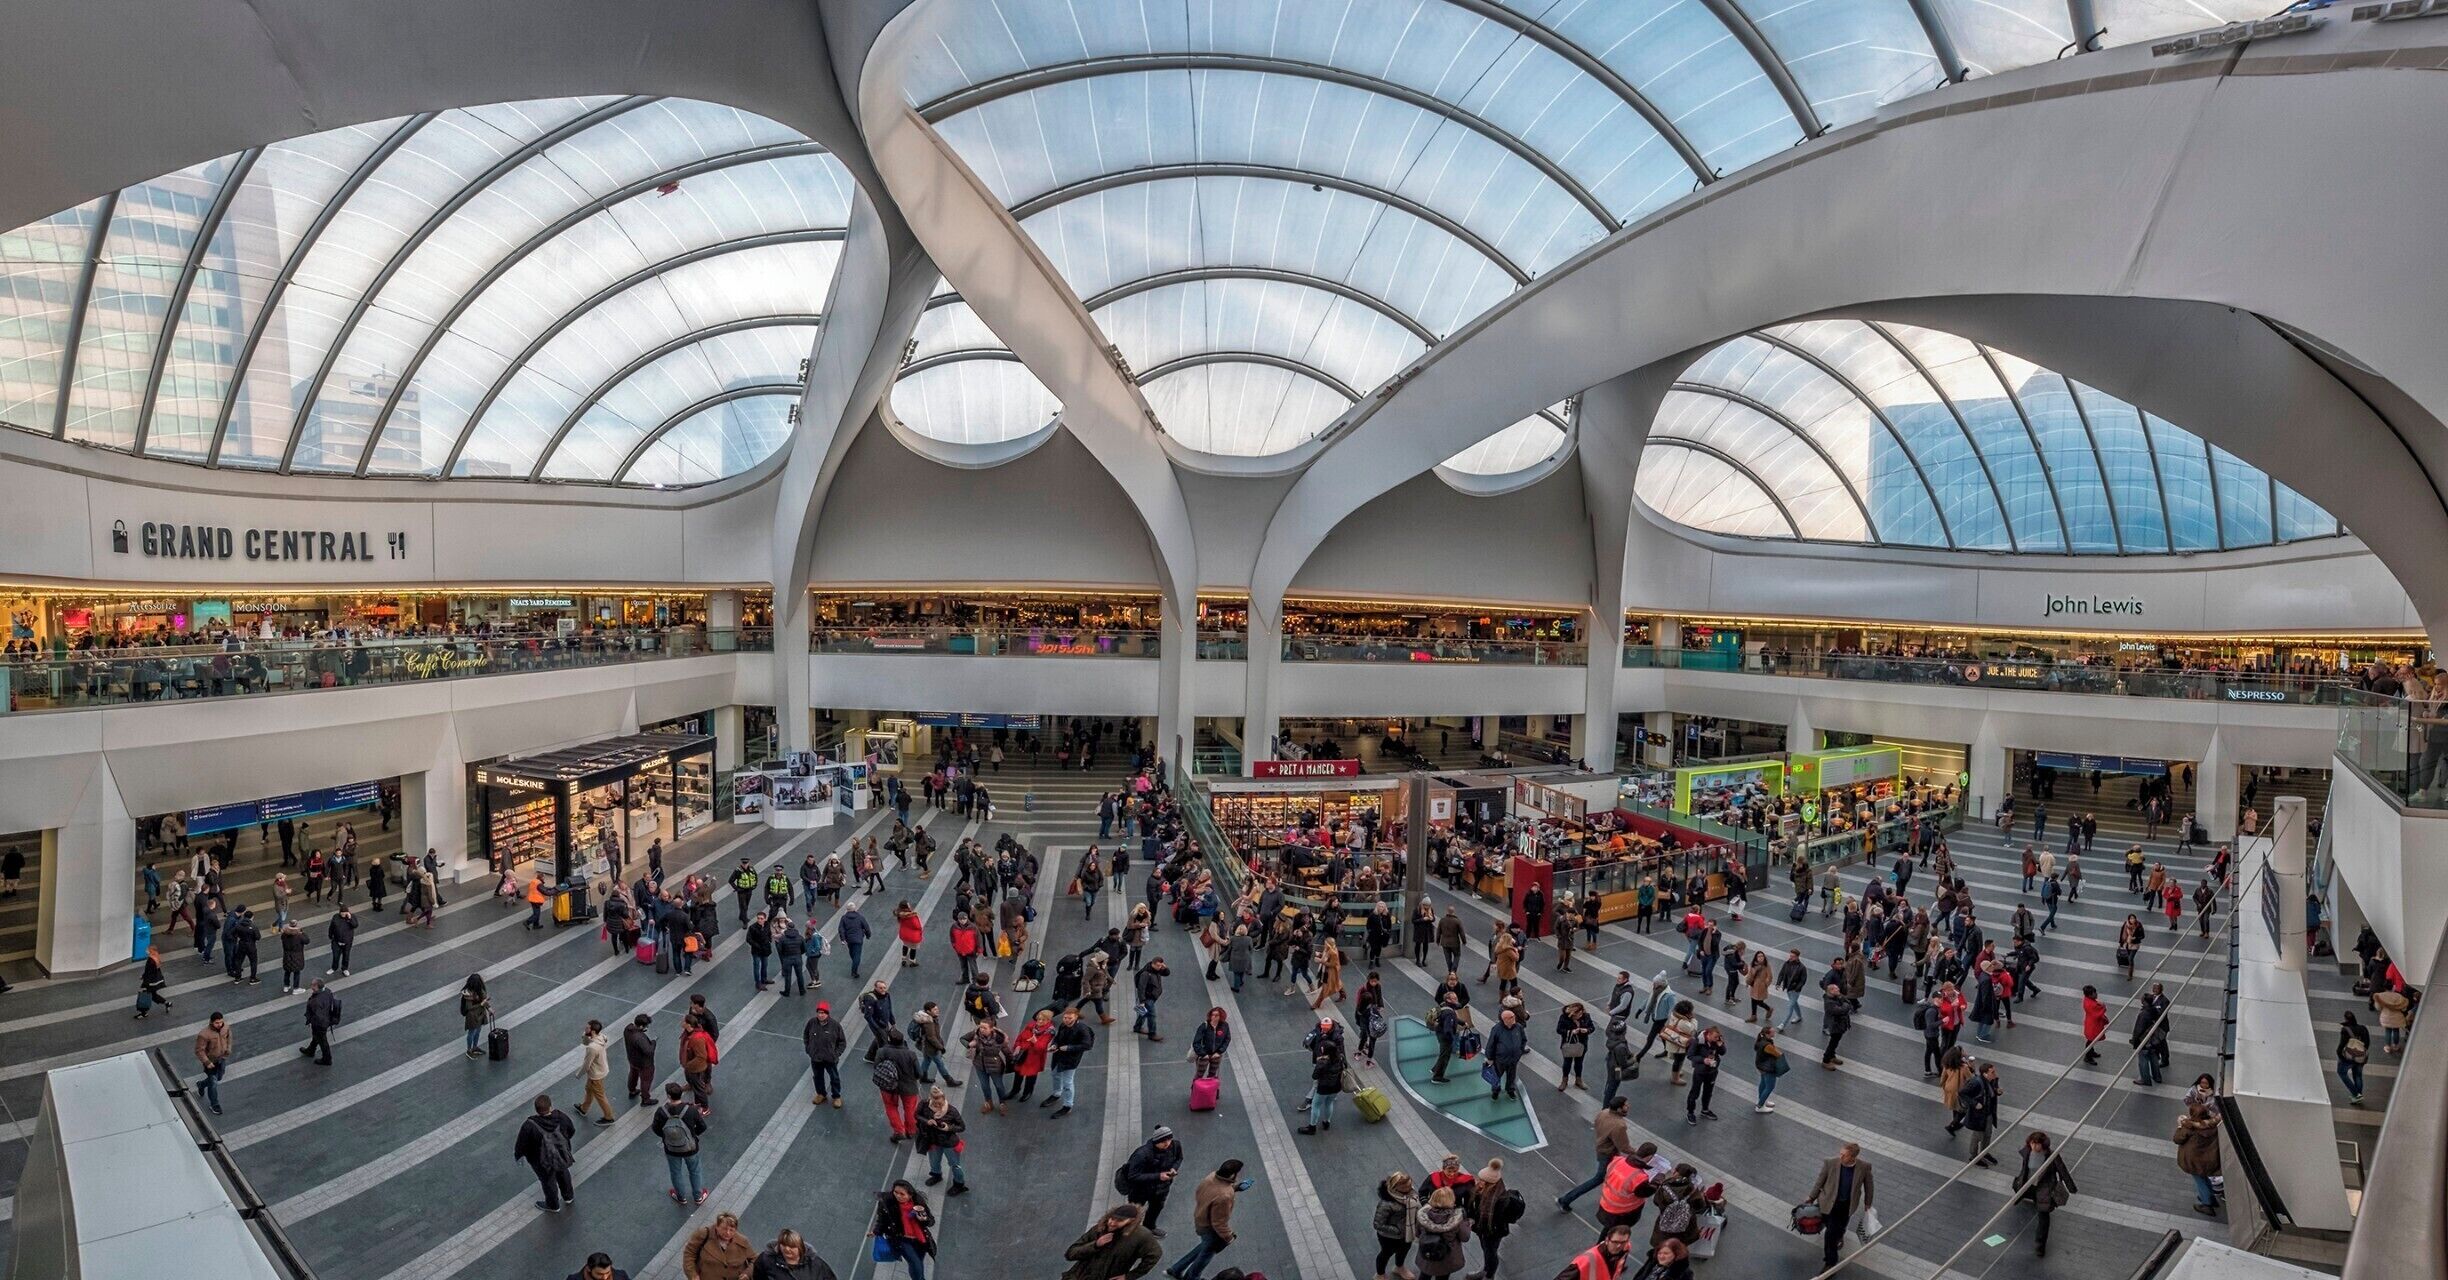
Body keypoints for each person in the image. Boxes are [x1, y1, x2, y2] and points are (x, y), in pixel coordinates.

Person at [1164, 1160, 1244, 1280]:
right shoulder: (1225, 1196)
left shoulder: (1211, 1176)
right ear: (1233, 1174)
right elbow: (1219, 1223)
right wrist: (1229, 1237)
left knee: (1204, 1246)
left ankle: (1176, 1269)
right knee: (1205, 1256)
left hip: (1200, 1220)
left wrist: (1235, 1188)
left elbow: (1214, 1191)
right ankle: (1191, 1278)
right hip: (1211, 1229)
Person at [1807, 1143, 1874, 1269]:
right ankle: (1839, 1235)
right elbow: (1820, 1181)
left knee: (1830, 1234)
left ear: (1853, 1157)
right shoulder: (1830, 1163)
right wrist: (1811, 1197)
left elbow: (1869, 1186)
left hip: (1846, 1206)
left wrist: (1868, 1203)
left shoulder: (1864, 1167)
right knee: (1830, 1226)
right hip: (1827, 1203)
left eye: (1844, 1155)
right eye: (1840, 1153)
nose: (1840, 1157)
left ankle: (1830, 1262)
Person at [2015, 1131, 2079, 1257]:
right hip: (2029, 1186)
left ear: (2043, 1144)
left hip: (2045, 1189)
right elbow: (2024, 1169)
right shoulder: (2027, 1152)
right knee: (2037, 1206)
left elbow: (2062, 1171)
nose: (2034, 1146)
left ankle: (2040, 1244)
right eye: (2033, 1143)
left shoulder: (2051, 1156)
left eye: (2037, 1144)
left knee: (2043, 1216)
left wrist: (2071, 1188)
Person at [513, 1094, 577, 1213]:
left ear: (536, 1109)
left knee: (548, 1181)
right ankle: (568, 1196)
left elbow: (522, 1144)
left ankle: (553, 1205)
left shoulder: (529, 1125)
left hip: (541, 1161)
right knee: (563, 1173)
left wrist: (519, 1155)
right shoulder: (561, 1117)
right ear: (550, 1107)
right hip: (561, 1155)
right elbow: (571, 1130)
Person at [1063, 1205, 1162, 1280]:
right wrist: (1095, 1245)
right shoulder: (1099, 1229)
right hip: (1080, 1276)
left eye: (1119, 1220)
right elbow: (1070, 1254)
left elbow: (1155, 1255)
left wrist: (1129, 1276)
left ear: (1131, 1221)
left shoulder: (1141, 1236)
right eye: (1112, 1218)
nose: (1112, 1222)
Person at [652, 1080, 709, 1205]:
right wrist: (693, 1135)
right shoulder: (691, 1110)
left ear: (668, 1096)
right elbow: (702, 1126)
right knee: (694, 1171)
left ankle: (681, 1197)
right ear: (681, 1094)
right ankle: (698, 1196)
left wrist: (667, 1137)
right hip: (691, 1148)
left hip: (671, 1149)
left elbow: (655, 1129)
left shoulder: (661, 1111)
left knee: (675, 1172)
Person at [1121, 1126, 1185, 1234]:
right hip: (1140, 1191)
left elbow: (1179, 1158)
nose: (1167, 1144)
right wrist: (1158, 1176)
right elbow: (1133, 1176)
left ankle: (1149, 1227)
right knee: (1134, 1212)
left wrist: (1174, 1168)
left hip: (1162, 1189)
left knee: (1156, 1209)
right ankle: (1130, 1231)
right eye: (1163, 1141)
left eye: (1169, 1139)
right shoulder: (1141, 1154)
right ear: (1156, 1141)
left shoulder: (1175, 1145)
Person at [871, 1181, 936, 1279]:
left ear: (910, 1195)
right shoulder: (886, 1203)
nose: (898, 1196)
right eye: (896, 1192)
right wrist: (876, 1231)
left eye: (902, 1194)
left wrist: (924, 1219)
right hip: (902, 1240)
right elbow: (882, 1220)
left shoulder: (918, 1203)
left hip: (920, 1239)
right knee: (915, 1263)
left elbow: (931, 1222)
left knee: (917, 1262)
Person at [915, 1085, 970, 1194]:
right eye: (935, 1104)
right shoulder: (924, 1104)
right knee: (934, 1161)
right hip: (933, 1140)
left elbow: (962, 1127)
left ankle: (959, 1184)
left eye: (939, 1103)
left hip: (949, 1142)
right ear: (930, 1099)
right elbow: (916, 1115)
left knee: (955, 1164)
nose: (937, 1106)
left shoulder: (951, 1110)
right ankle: (936, 1175)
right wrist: (927, 1121)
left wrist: (949, 1128)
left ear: (944, 1099)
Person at [874, 1026, 923, 1141]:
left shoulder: (882, 1051)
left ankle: (899, 1130)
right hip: (909, 1086)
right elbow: (919, 1073)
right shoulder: (911, 1054)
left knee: (891, 1107)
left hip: (888, 1086)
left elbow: (877, 1066)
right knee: (910, 1109)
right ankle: (911, 1130)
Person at [2175, 1102, 2224, 1216]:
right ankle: (2209, 1198)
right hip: (2208, 1159)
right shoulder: (2213, 1125)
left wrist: (2179, 1126)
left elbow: (2177, 1139)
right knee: (2204, 1178)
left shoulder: (2189, 1127)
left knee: (2200, 1180)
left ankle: (2207, 1204)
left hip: (2194, 1160)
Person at [1047, 1005, 1096, 1116]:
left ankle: (1068, 1105)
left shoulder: (1082, 1029)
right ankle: (1056, 1093)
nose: (1066, 1020)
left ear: (1076, 1018)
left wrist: (1069, 1048)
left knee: (1068, 1083)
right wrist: (1054, 1045)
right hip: (1059, 1055)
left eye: (1069, 1018)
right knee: (1055, 1074)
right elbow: (1057, 1038)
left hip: (1071, 1059)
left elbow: (1087, 1045)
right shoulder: (1063, 1026)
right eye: (1065, 1018)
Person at [1413, 1188, 1471, 1280]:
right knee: (1443, 1277)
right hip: (1447, 1256)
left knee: (1424, 1275)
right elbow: (1465, 1237)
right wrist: (1467, 1224)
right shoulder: (1457, 1219)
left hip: (1426, 1251)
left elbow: (1417, 1233)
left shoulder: (1423, 1216)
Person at [682, 1211, 755, 1280]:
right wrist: (692, 1274)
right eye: (724, 1229)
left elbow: (755, 1259)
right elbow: (689, 1253)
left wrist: (747, 1273)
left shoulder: (742, 1241)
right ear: (717, 1226)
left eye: (731, 1230)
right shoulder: (703, 1235)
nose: (728, 1233)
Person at [1374, 1172, 1420, 1280]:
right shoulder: (1386, 1204)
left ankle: (1399, 1267)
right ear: (1396, 1187)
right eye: (1406, 1187)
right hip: (1389, 1236)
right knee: (1385, 1254)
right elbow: (1378, 1224)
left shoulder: (1410, 1195)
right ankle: (1380, 1274)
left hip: (1407, 1233)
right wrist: (1397, 1230)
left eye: (1410, 1185)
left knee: (1404, 1250)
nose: (1410, 1188)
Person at [803, 1001, 847, 1107]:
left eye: (823, 1013)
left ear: (827, 1014)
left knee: (834, 1078)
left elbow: (842, 1042)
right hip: (816, 1057)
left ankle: (836, 1096)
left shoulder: (835, 1025)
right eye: (819, 1012)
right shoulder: (811, 1022)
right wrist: (809, 1049)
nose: (820, 1015)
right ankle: (821, 1094)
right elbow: (806, 1036)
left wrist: (836, 1054)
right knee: (818, 1076)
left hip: (830, 1059)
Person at [1557, 1224, 1638, 1280]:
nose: (1619, 1246)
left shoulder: (1626, 1247)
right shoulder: (1588, 1259)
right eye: (1615, 1242)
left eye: (1623, 1242)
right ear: (1607, 1240)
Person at [753, 1227, 838, 1280]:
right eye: (783, 1245)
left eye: (791, 1246)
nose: (787, 1249)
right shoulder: (766, 1260)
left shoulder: (816, 1264)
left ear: (800, 1247)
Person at [192, 1011, 231, 1114]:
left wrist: (228, 1049)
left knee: (219, 1077)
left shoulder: (225, 1027)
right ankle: (215, 1105)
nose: (220, 1025)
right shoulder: (204, 1034)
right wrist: (207, 1062)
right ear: (211, 1022)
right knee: (213, 1083)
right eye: (217, 1023)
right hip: (210, 1062)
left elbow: (229, 1038)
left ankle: (201, 1084)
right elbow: (199, 1050)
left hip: (222, 1058)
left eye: (221, 1022)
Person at [1683, 1026, 1724, 1124]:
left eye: (1718, 1037)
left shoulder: (1717, 1041)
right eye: (1715, 1037)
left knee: (1708, 1092)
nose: (1716, 1039)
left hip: (1712, 1071)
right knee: (1695, 1092)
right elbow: (1690, 1055)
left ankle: (1705, 1110)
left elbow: (1723, 1052)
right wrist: (1703, 1060)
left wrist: (1721, 1045)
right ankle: (1690, 1112)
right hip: (1700, 1071)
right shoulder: (1697, 1042)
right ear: (1708, 1035)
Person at [300, 979, 341, 1065]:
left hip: (320, 1024)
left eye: (312, 985)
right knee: (317, 1037)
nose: (311, 986)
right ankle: (310, 1050)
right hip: (326, 1019)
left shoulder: (316, 1001)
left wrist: (311, 1022)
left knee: (322, 1041)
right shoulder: (327, 991)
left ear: (316, 987)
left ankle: (327, 1059)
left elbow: (317, 1016)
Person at [1753, 1026, 1789, 1113]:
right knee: (1770, 1087)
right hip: (1768, 1068)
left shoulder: (1762, 1041)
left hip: (1761, 1065)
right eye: (1772, 1032)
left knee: (1763, 1083)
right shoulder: (1768, 1045)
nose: (1774, 1033)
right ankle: (1760, 1106)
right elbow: (1778, 1054)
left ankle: (1761, 1099)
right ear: (1767, 1034)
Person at [1134, 956, 1170, 1042]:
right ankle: (1152, 1034)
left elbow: (1166, 973)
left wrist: (1165, 968)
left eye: (1161, 966)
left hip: (1153, 996)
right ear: (1152, 964)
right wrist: (1142, 1001)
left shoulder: (1156, 969)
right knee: (1152, 1015)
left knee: (1144, 1013)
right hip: (1148, 997)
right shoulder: (1146, 973)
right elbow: (1141, 988)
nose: (1159, 967)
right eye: (1158, 965)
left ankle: (1137, 1027)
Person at [2338, 1009, 2370, 1104]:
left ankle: (2356, 1094)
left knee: (2341, 1073)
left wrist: (2340, 1056)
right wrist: (2361, 1054)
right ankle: (2358, 1096)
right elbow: (2367, 1043)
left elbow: (2341, 1045)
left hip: (2348, 1057)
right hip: (2360, 1057)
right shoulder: (2363, 1028)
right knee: (2358, 1075)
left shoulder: (2345, 1030)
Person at [460, 973, 495, 1060]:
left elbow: (483, 999)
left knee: (478, 1031)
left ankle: (475, 1047)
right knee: (471, 1033)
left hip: (480, 1014)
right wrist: (481, 1004)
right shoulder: (468, 993)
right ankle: (469, 1050)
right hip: (472, 1016)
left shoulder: (479, 990)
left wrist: (489, 1008)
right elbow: (469, 1007)